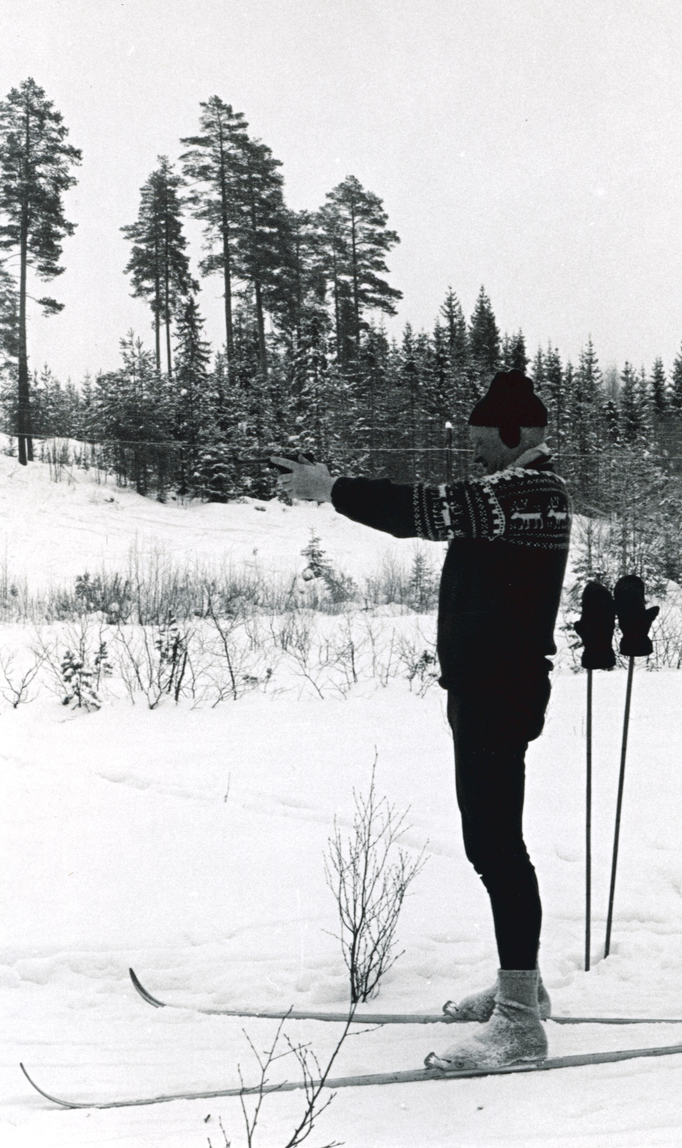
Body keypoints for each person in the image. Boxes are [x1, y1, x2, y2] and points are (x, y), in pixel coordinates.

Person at [271, 369, 571, 1071]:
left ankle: (521, 1022)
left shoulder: (524, 492)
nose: (476, 457)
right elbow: (440, 510)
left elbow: (421, 511)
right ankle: (522, 987)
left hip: (500, 692)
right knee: (493, 846)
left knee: (496, 849)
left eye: (481, 443)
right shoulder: (513, 493)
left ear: (512, 436)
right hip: (490, 687)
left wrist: (330, 489)